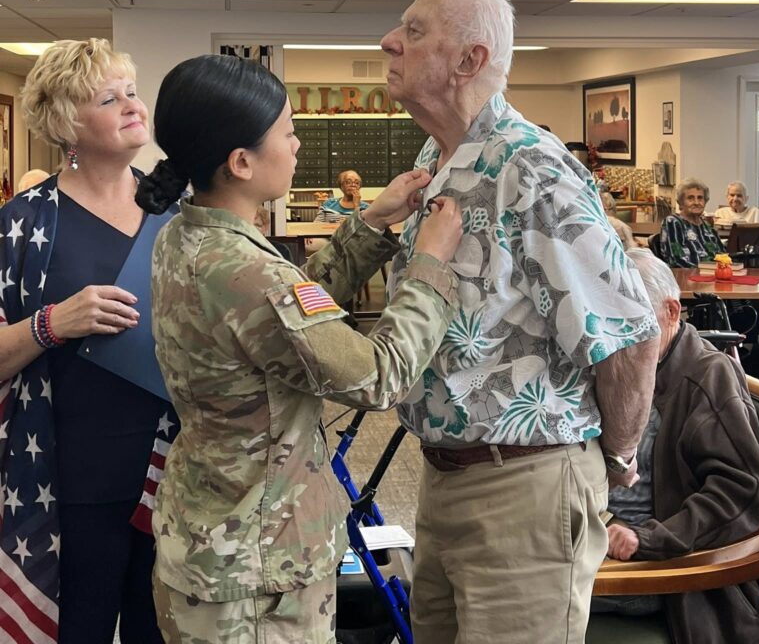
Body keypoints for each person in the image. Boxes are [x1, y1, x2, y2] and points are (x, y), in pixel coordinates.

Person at [136, 54, 464, 644]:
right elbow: (379, 375)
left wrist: (370, 225)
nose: (297, 144)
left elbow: (286, 317)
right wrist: (430, 265)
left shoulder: (186, 237)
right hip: (258, 578)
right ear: (241, 161)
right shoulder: (249, 271)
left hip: (211, 539)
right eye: (286, 132)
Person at [380, 0, 660, 644]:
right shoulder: (439, 157)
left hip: (525, 487)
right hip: (445, 476)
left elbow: (629, 335)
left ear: (468, 62)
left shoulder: (530, 167)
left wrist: (618, 457)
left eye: (415, 31)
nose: (390, 41)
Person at [0, 39, 173, 644]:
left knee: (164, 633)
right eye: (108, 97)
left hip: (178, 474)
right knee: (80, 630)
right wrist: (51, 322)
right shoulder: (23, 224)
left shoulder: (179, 211)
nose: (131, 105)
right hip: (66, 479)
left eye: (131, 90)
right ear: (66, 123)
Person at [595, 248, 759, 644]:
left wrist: (649, 538)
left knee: (518, 598)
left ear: (672, 312)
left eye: (634, 321)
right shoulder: (614, 366)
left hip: (657, 570)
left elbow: (743, 491)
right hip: (597, 545)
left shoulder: (708, 377)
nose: (618, 334)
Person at [658, 177, 722, 268]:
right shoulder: (673, 222)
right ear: (680, 202)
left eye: (700, 198)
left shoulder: (707, 226)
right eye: (690, 198)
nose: (696, 202)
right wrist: (705, 272)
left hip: (714, 275)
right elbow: (676, 260)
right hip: (688, 277)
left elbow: (722, 255)